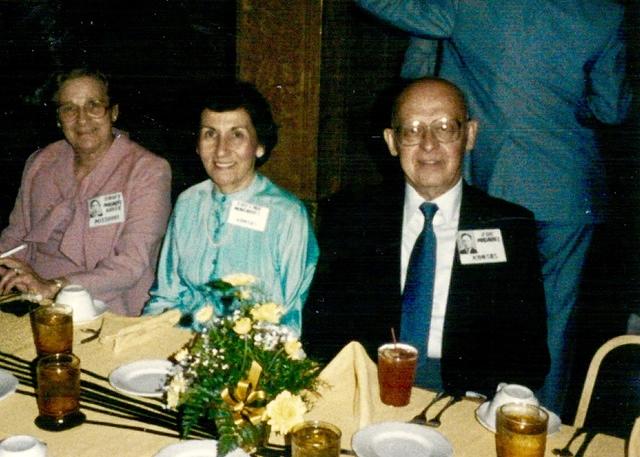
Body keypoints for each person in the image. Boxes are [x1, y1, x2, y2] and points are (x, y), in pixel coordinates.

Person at [354, 0, 632, 414]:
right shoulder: (604, 14)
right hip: (565, 186)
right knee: (553, 324)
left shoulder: (469, 4)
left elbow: (408, 55)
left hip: (492, 176)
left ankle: (442, 412)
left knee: (464, 301)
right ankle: (536, 426)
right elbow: (612, 109)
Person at [304, 77, 549, 397]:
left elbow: (529, 355)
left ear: (470, 135)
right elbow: (321, 331)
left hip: (466, 398)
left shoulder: (509, 226)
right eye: (413, 129)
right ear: (392, 142)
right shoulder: (352, 217)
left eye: (445, 127)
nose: (429, 144)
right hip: (368, 387)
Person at [143, 81, 319, 334]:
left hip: (251, 356)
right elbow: (165, 298)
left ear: (259, 146)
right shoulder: (188, 203)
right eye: (210, 134)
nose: (221, 150)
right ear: (197, 144)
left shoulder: (287, 216)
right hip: (179, 344)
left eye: (236, 134)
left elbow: (287, 320)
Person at [0, 68, 172, 315]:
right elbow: (15, 238)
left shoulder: (148, 170)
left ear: (113, 112)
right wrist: (8, 270)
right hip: (34, 303)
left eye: (94, 105)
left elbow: (131, 264)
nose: (82, 119)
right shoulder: (40, 162)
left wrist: (55, 287)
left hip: (112, 306)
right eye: (69, 108)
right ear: (59, 119)